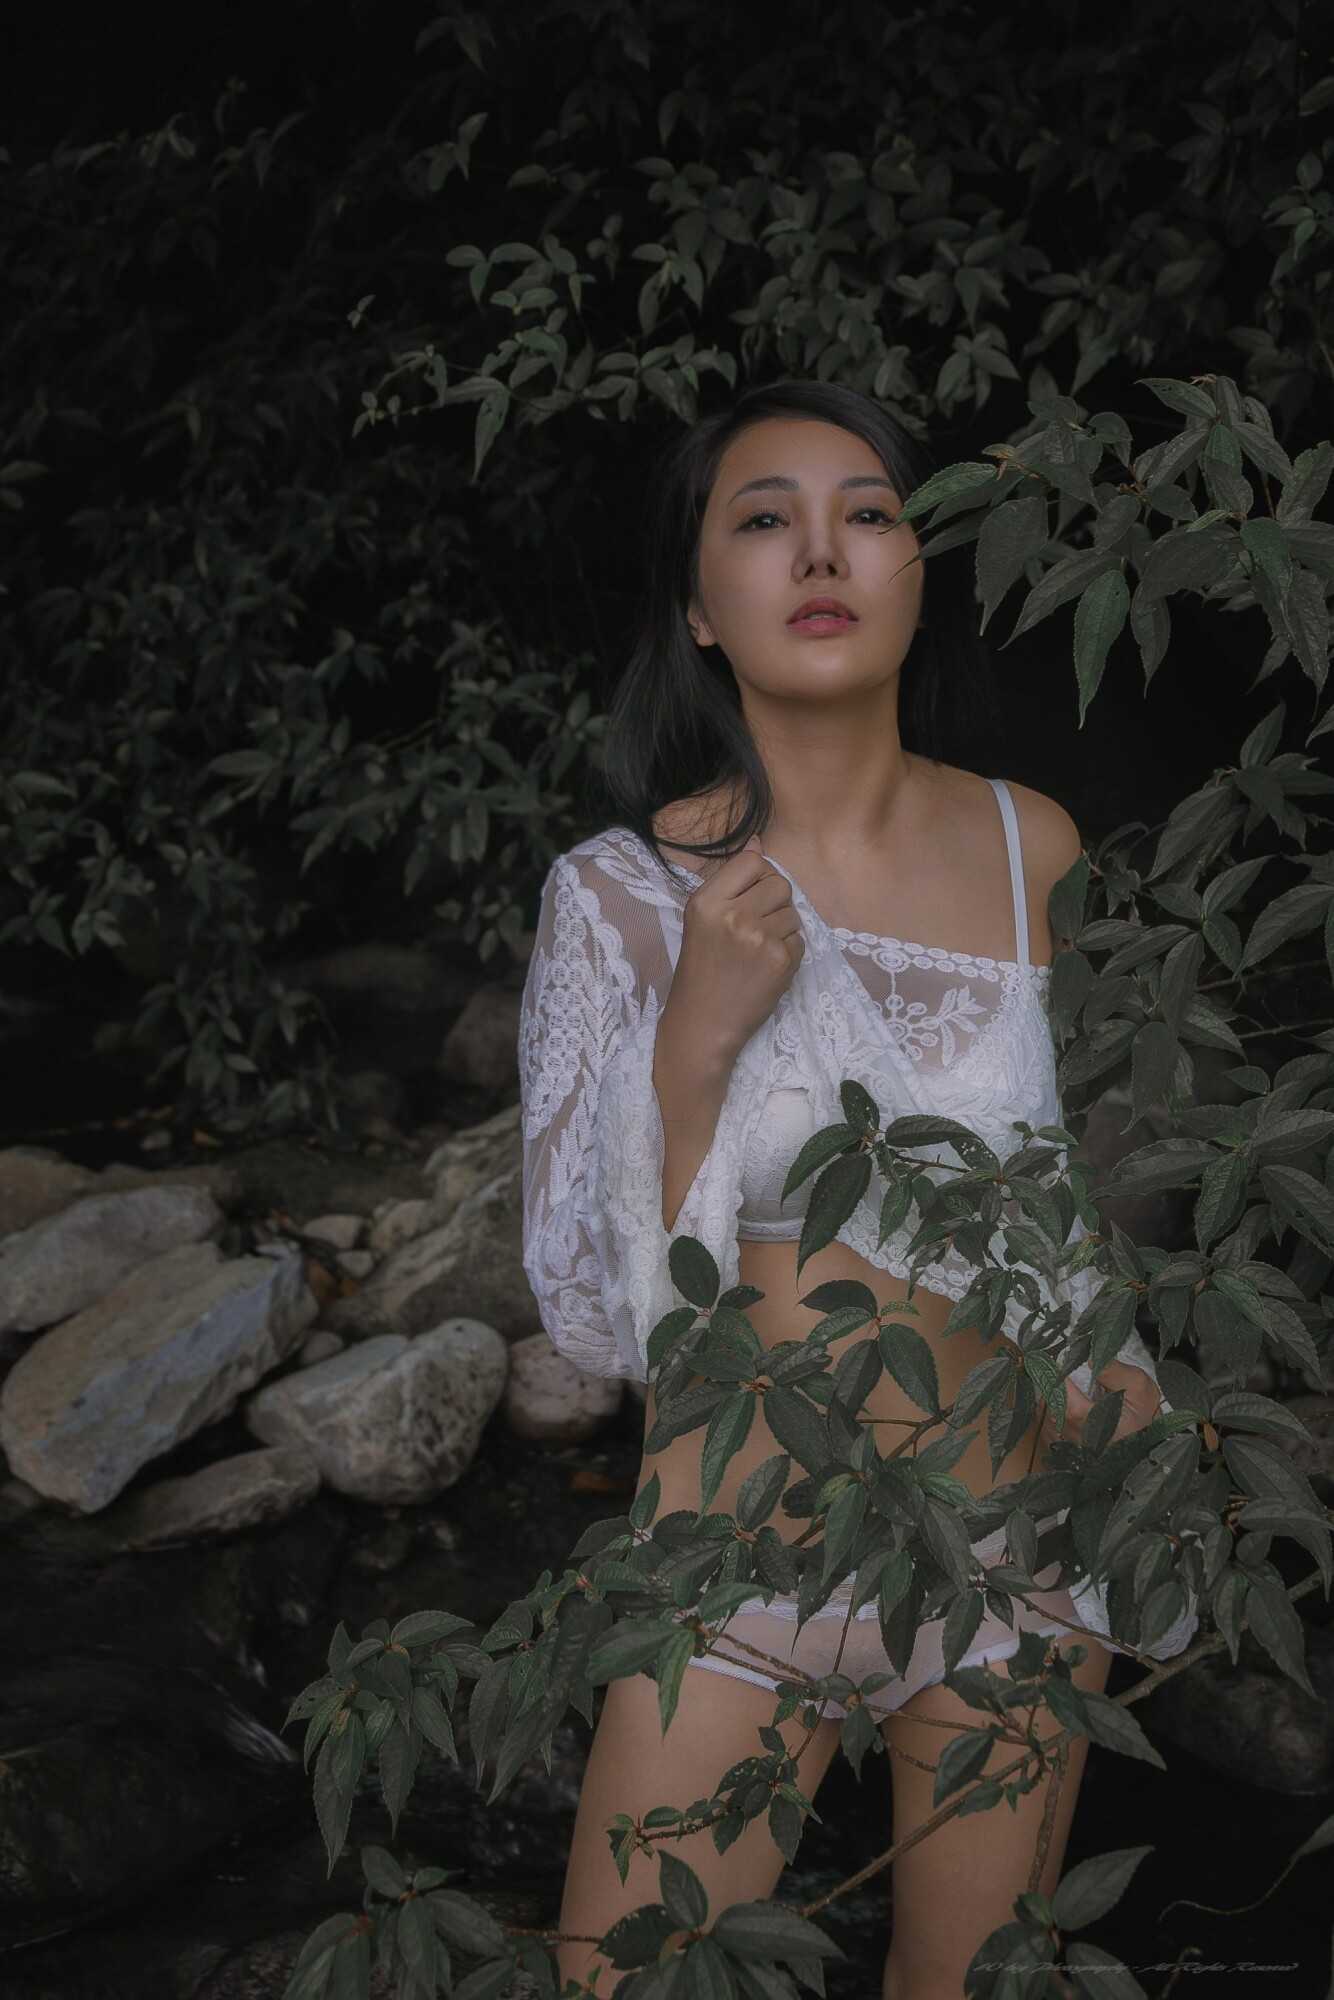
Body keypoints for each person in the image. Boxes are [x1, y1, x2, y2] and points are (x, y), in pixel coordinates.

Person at [518, 379, 1198, 2000]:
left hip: (1015, 1567)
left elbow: (1061, 1209)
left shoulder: (1032, 847)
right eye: (763, 520)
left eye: (868, 513)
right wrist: (696, 1037)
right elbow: (593, 1311)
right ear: (699, 606)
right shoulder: (618, 898)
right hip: (729, 1582)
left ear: (918, 568)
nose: (820, 552)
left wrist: (1136, 1434)